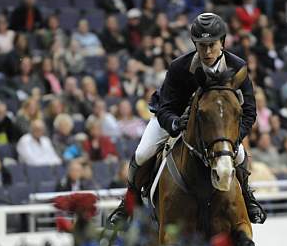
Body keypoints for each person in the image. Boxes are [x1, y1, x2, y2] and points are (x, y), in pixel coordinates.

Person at [108, 12, 265, 227]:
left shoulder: (237, 68)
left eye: (212, 44)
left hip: (216, 128)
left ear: (222, 42)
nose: (207, 51)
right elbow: (165, 108)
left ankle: (248, 197)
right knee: (143, 153)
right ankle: (128, 204)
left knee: (238, 156)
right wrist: (174, 123)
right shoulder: (179, 67)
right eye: (202, 45)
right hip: (174, 120)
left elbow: (249, 112)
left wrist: (233, 137)